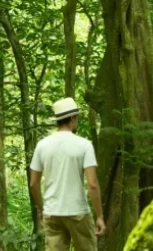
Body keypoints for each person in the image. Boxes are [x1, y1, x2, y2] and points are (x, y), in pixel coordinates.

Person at [29, 97, 106, 251]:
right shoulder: (84, 145)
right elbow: (92, 184)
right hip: (77, 211)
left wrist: (41, 208)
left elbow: (33, 183)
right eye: (76, 117)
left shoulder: (42, 145)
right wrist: (99, 216)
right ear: (72, 118)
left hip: (52, 212)